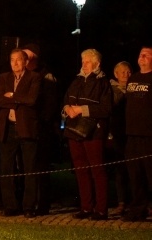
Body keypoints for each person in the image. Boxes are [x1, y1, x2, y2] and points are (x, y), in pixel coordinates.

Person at [62, 48, 112, 220]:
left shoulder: (103, 82)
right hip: (74, 130)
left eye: (88, 61)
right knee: (81, 170)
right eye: (83, 61)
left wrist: (82, 109)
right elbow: (66, 99)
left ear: (97, 64)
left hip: (93, 132)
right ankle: (86, 207)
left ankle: (101, 209)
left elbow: (106, 108)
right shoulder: (76, 80)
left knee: (97, 169)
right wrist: (67, 108)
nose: (84, 64)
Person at [0, 48, 41, 217]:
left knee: (29, 168)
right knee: (6, 168)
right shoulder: (4, 78)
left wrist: (12, 96)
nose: (14, 63)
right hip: (8, 127)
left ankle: (29, 206)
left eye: (18, 60)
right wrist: (18, 99)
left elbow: (31, 99)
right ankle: (10, 205)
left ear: (25, 61)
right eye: (12, 59)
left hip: (26, 128)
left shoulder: (34, 77)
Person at [22, 42, 59, 215]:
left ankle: (42, 203)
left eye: (27, 56)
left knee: (41, 166)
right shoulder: (23, 75)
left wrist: (41, 121)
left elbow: (50, 105)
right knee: (29, 166)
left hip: (41, 128)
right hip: (27, 126)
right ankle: (29, 202)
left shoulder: (46, 76)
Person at [123, 47, 152, 221]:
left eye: (146, 55)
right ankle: (138, 209)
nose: (141, 57)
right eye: (140, 54)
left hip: (149, 135)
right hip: (132, 134)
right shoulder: (133, 79)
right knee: (135, 174)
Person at [108, 61, 131, 214]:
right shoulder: (112, 90)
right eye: (122, 72)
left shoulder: (136, 88)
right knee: (119, 169)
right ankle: (122, 201)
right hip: (117, 133)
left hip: (132, 133)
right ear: (116, 74)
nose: (125, 75)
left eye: (128, 72)